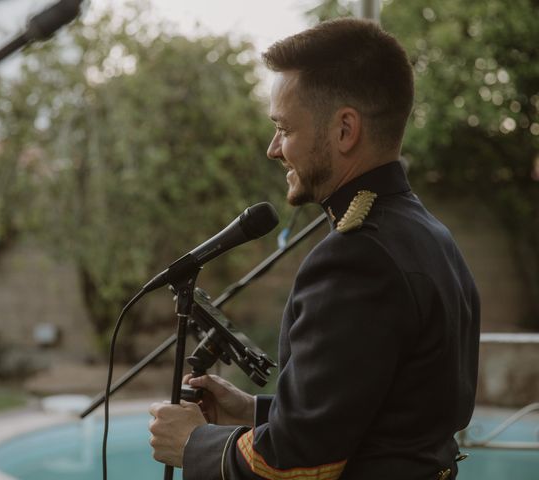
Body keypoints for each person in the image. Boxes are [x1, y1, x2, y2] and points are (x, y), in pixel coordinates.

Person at [148, 17, 480, 480]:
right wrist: (253, 410)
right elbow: (379, 418)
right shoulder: (424, 232)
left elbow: (301, 463)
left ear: (345, 129)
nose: (273, 149)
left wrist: (192, 443)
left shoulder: (356, 259)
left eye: (284, 128)